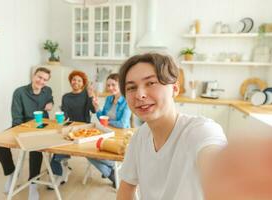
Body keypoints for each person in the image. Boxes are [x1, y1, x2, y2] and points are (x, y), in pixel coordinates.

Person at [116, 53, 228, 200]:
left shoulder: (201, 130)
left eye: (151, 83)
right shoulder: (140, 137)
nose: (139, 94)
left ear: (175, 88)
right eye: (131, 88)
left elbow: (220, 174)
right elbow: (126, 189)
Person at [0, 67, 53, 200]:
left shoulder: (47, 91)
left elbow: (50, 99)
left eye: (45, 79)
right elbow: (16, 118)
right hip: (21, 125)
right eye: (39, 77)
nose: (41, 81)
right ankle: (12, 173)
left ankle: (33, 184)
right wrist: (24, 132)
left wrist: (50, 103)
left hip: (42, 127)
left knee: (35, 148)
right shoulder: (19, 92)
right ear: (33, 76)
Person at [49, 70, 97, 187]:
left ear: (83, 83)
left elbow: (94, 110)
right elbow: (65, 114)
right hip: (70, 127)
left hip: (85, 129)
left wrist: (91, 96)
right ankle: (60, 172)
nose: (76, 82)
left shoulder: (87, 94)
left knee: (61, 149)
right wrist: (60, 117)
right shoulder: (66, 97)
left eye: (79, 80)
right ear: (70, 81)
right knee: (56, 149)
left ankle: (62, 169)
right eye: (74, 79)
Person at [87, 73, 132, 188]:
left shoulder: (127, 100)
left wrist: (107, 122)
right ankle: (111, 171)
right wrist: (97, 107)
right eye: (108, 85)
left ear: (120, 84)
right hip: (106, 133)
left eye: (113, 85)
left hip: (120, 136)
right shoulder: (108, 99)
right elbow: (102, 117)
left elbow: (122, 124)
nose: (110, 88)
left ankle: (110, 170)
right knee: (89, 153)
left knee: (97, 155)